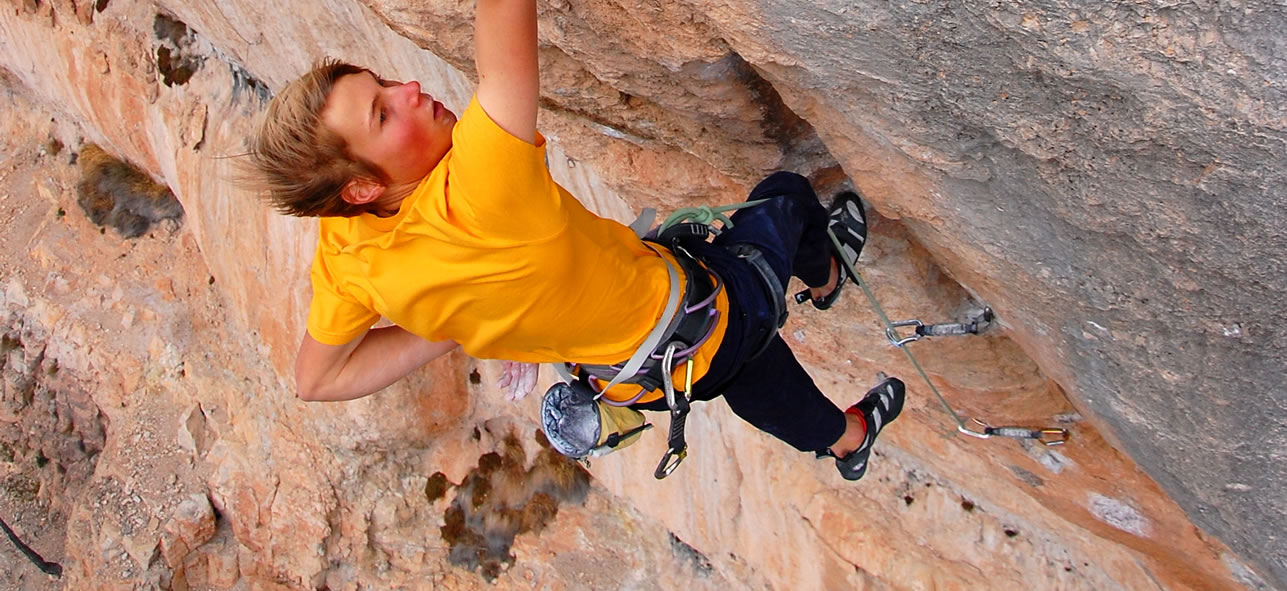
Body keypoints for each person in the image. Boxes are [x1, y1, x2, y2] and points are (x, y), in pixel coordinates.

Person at [248, 0, 904, 481]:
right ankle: (823, 275)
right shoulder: (479, 185)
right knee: (786, 196)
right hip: (707, 312)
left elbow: (316, 377)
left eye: (384, 82)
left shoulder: (347, 255)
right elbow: (504, 43)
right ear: (359, 186)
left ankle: (847, 440)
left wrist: (465, 323)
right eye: (383, 113)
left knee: (748, 377)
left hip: (637, 379)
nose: (411, 89)